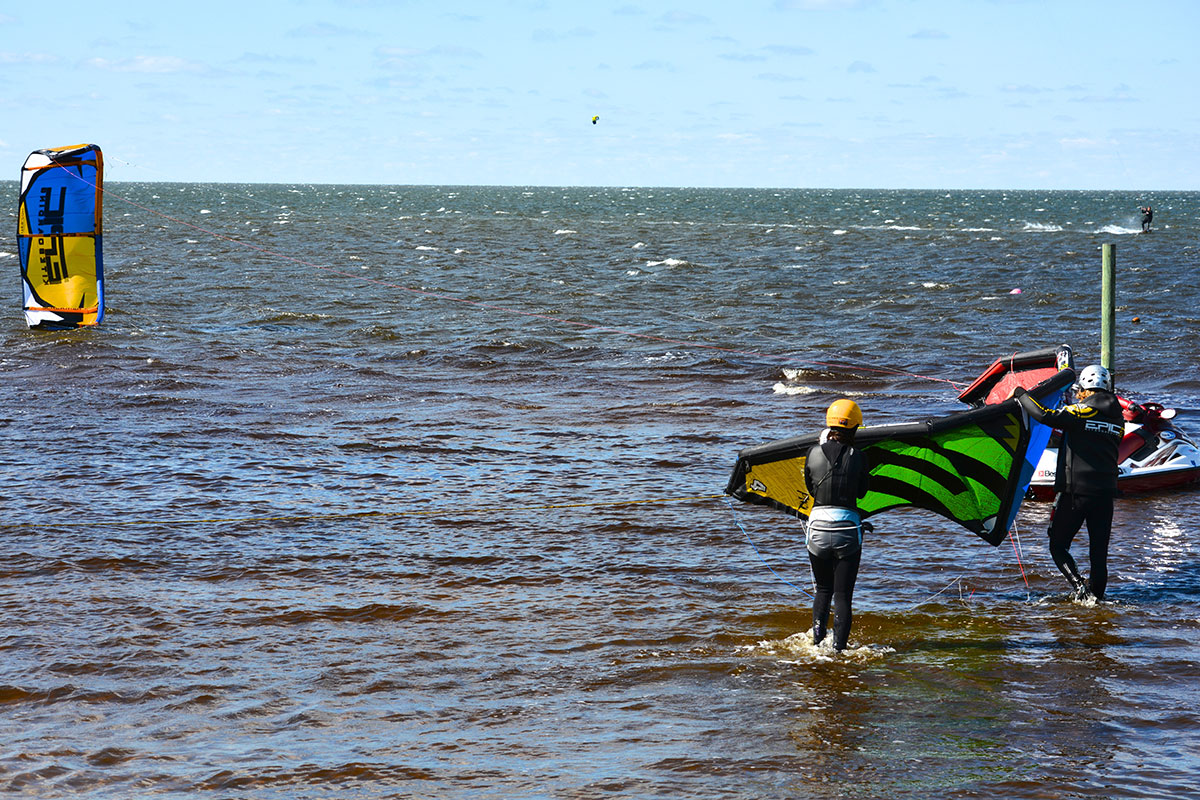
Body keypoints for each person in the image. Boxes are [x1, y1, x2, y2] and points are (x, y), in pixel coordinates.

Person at [1014, 365, 1123, 601]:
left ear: (1083, 389)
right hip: (1105, 494)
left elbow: (1044, 415)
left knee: (1058, 545)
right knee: (1098, 554)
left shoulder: (1083, 411)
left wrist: (1021, 394)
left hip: (1076, 492)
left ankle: (1080, 589)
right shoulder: (1119, 418)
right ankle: (1097, 602)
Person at [803, 399, 870, 650]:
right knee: (842, 596)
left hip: (817, 527)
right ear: (854, 428)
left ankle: (816, 642)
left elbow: (810, 488)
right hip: (848, 530)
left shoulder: (812, 452)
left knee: (822, 590)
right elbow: (862, 492)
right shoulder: (859, 456)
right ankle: (839, 651)